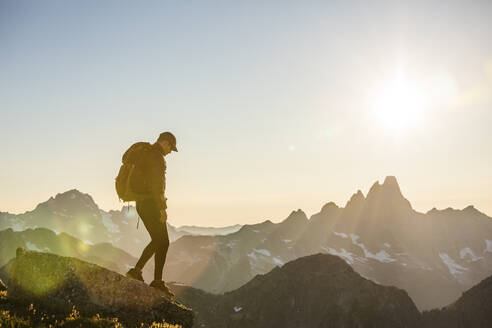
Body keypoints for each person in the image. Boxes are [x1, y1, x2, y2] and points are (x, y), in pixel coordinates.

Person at [124, 131, 178, 299]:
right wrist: (162, 208)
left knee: (158, 240)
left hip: (142, 204)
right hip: (151, 204)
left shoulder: (146, 153)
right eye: (171, 147)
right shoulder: (156, 157)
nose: (170, 151)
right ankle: (156, 281)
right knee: (164, 241)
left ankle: (136, 271)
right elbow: (157, 185)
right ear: (165, 142)